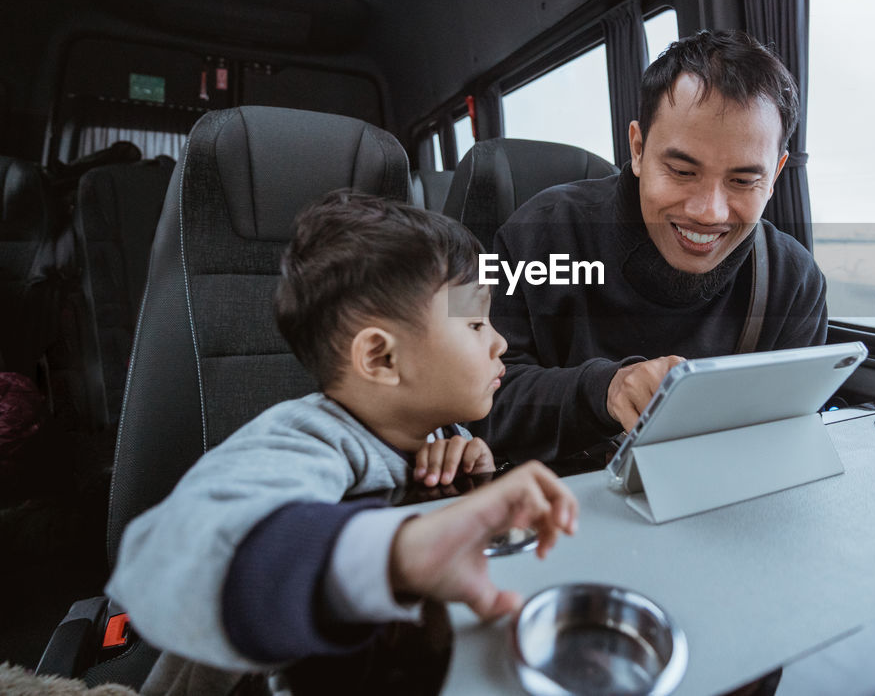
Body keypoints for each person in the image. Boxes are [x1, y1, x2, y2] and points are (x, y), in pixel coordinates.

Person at [106, 191, 578, 674]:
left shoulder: (441, 434)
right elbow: (165, 558)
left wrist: (468, 481)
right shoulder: (305, 438)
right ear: (381, 358)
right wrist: (400, 552)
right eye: (475, 323)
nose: (500, 342)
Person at [481, 29, 828, 463]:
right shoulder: (536, 234)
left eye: (743, 181)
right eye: (682, 172)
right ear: (639, 149)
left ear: (775, 176)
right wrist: (604, 392)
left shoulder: (793, 281)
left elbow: (786, 438)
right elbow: (478, 405)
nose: (709, 212)